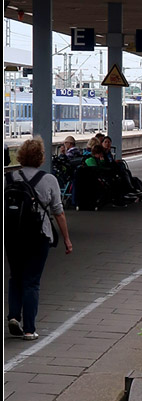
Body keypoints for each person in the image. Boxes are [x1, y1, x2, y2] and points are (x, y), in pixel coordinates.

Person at [6, 136, 72, 340]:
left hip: (12, 235)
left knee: (16, 276)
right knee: (32, 281)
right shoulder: (49, 179)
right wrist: (67, 240)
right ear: (41, 158)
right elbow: (58, 212)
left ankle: (14, 316)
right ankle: (29, 329)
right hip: (39, 236)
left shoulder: (8, 178)